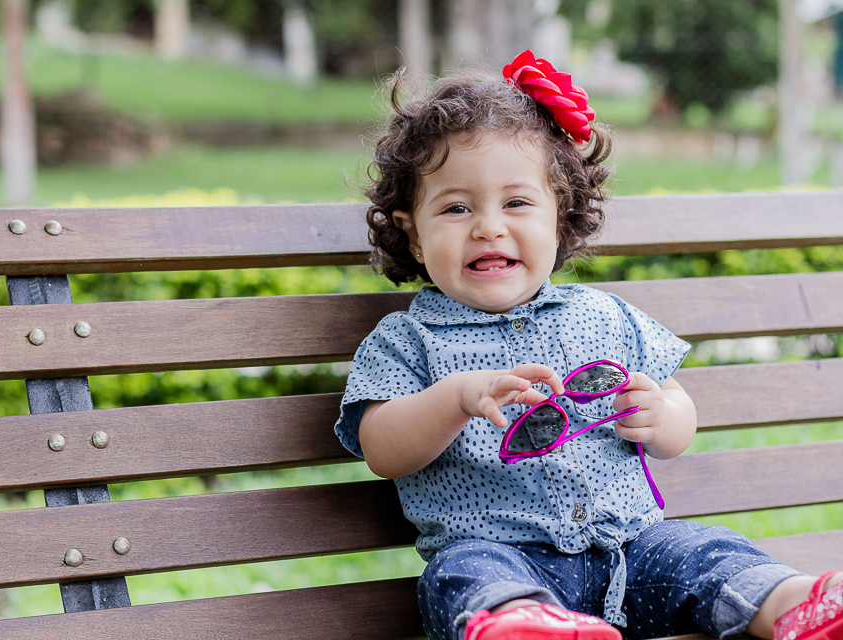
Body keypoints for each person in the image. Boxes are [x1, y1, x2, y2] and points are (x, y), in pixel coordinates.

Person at [334, 51, 843, 640]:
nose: (489, 226)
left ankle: (801, 607)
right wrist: (453, 399)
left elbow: (676, 418)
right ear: (413, 236)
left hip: (633, 552)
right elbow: (381, 449)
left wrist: (662, 415)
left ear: (560, 217)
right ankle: (521, 626)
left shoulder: (604, 316)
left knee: (706, 551)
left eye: (517, 202)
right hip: (504, 555)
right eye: (455, 208)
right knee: (460, 575)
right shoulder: (407, 340)